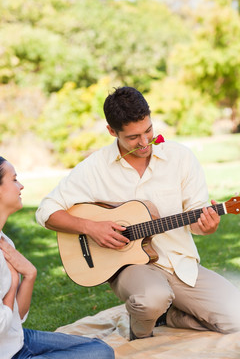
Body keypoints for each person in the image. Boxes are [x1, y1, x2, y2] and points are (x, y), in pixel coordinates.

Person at [36, 86, 240, 340]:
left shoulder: (181, 158)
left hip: (180, 263)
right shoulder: (94, 168)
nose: (144, 143)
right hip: (129, 267)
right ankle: (145, 323)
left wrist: (207, 226)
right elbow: (46, 211)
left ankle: (169, 317)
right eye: (133, 137)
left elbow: (196, 220)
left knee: (236, 317)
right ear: (112, 131)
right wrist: (92, 228)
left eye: (148, 131)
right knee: (153, 297)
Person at [0, 156, 115, 359]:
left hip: (16, 340)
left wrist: (30, 274)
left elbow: (17, 318)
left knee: (101, 349)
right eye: (14, 179)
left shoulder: (5, 242)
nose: (21, 186)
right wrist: (10, 289)